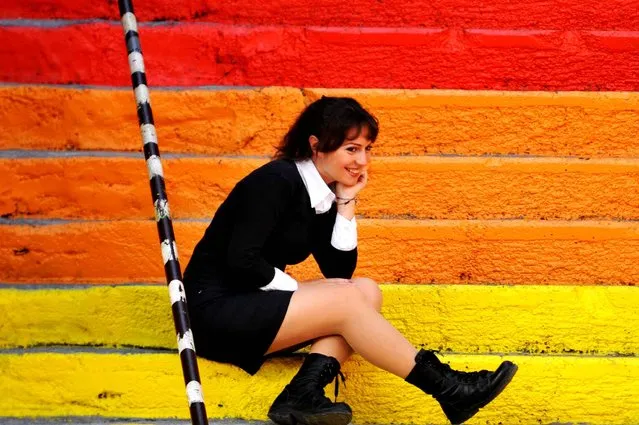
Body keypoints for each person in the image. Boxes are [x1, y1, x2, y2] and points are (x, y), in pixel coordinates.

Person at [183, 96, 518, 425]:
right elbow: (242, 259)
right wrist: (297, 291)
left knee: (366, 291)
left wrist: (345, 203)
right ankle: (448, 387)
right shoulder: (276, 181)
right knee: (347, 299)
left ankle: (302, 393)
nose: (362, 160)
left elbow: (340, 271)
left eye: (367, 149)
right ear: (316, 145)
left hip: (254, 306)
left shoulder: (323, 193)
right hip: (216, 313)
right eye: (351, 148)